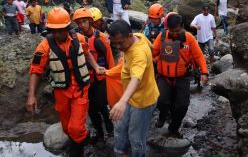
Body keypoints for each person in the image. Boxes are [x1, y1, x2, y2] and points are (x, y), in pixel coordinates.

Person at [26, 7, 106, 157]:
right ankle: (83, 137)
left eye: (61, 30)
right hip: (61, 91)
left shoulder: (79, 39)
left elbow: (87, 53)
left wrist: (96, 67)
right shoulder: (44, 46)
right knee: (67, 127)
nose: (57, 34)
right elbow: (36, 70)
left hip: (81, 90)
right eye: (53, 30)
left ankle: (78, 151)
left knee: (75, 128)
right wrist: (31, 96)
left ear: (68, 27)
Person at [107, 20, 159, 157]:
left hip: (143, 101)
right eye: (114, 43)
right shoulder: (138, 36)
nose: (118, 47)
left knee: (136, 137)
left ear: (129, 36)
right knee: (119, 127)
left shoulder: (139, 54)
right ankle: (121, 152)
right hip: (130, 97)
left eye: (120, 43)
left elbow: (136, 79)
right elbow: (151, 46)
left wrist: (122, 102)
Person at [152, 13, 209, 138]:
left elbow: (198, 56)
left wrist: (204, 72)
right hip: (164, 77)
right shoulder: (162, 37)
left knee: (182, 105)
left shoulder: (189, 38)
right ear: (168, 28)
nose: (174, 34)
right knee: (161, 102)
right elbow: (152, 53)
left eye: (177, 31)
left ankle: (174, 128)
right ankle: (163, 116)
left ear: (183, 26)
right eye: (171, 31)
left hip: (182, 77)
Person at [73, 8, 115, 145]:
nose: (82, 25)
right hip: (85, 79)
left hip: (101, 78)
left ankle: (109, 124)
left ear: (90, 21)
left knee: (102, 105)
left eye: (84, 21)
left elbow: (109, 58)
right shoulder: (75, 39)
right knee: (90, 108)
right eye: (79, 23)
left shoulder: (102, 37)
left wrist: (112, 76)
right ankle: (99, 133)